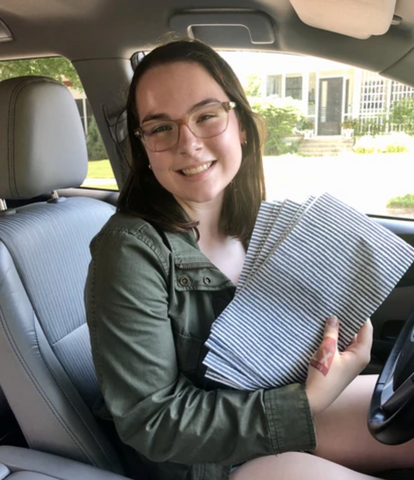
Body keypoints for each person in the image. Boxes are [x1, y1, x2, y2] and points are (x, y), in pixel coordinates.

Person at [84, 38, 414, 480]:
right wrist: (308, 401)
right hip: (203, 462)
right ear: (144, 147)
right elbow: (154, 421)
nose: (189, 143)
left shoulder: (263, 224)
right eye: (161, 128)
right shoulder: (129, 250)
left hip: (278, 410)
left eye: (206, 116)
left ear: (239, 124)